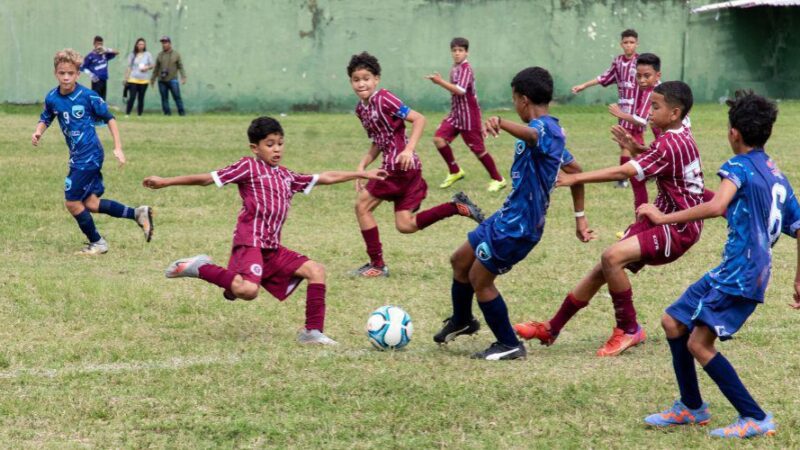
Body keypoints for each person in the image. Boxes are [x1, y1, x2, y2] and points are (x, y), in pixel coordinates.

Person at [637, 91, 799, 438]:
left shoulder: (738, 166)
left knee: (698, 344)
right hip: (737, 269)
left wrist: (662, 218)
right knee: (673, 322)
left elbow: (716, 206)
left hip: (742, 273)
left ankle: (754, 416)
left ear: (733, 133)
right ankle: (691, 407)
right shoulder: (776, 175)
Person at [142, 117, 387, 345]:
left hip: (271, 248)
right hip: (250, 242)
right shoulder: (248, 167)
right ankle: (200, 267)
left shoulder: (287, 176)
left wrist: (362, 173)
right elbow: (207, 178)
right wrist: (166, 181)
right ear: (255, 148)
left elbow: (325, 177)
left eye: (280, 143)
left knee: (316, 271)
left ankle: (312, 332)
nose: (277, 149)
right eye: (270, 144)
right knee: (248, 291)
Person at [515, 81, 706, 357]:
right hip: (663, 216)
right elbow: (661, 161)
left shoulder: (669, 144)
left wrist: (575, 178)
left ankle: (628, 329)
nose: (649, 112)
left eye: (655, 107)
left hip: (677, 225)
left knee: (611, 258)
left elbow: (623, 173)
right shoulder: (678, 133)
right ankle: (552, 328)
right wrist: (637, 149)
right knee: (603, 267)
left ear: (675, 113)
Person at [433, 67, 595, 360]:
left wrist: (501, 121)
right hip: (506, 216)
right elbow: (575, 170)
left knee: (480, 279)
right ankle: (462, 320)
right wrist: (579, 216)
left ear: (523, 100)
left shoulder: (545, 129)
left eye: (513, 100)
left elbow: (532, 135)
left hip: (519, 227)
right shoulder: (551, 134)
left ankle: (509, 344)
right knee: (460, 260)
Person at [347, 52, 486, 278]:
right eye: (356, 79)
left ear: (376, 79)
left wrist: (408, 149)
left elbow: (419, 118)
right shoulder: (361, 109)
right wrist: (361, 167)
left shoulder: (384, 98)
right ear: (351, 82)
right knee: (405, 225)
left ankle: (377, 265)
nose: (361, 84)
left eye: (366, 78)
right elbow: (378, 141)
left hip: (397, 167)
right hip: (404, 169)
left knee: (362, 206)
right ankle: (456, 207)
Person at [31, 49, 153, 255]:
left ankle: (98, 243)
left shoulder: (88, 96)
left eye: (71, 73)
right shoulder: (52, 97)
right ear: (55, 73)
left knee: (72, 202)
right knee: (91, 203)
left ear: (78, 74)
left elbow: (110, 119)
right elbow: (46, 117)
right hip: (77, 156)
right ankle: (137, 213)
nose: (66, 77)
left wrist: (118, 147)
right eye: (62, 73)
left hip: (89, 156)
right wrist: (38, 131)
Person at [425, 37, 505, 192]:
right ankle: (455, 171)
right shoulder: (455, 68)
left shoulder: (466, 69)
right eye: (454, 50)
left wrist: (440, 82)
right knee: (439, 139)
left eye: (460, 50)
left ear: (466, 52)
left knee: (478, 150)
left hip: (469, 116)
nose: (457, 53)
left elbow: (461, 91)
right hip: (456, 114)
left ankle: (498, 179)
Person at [572, 29, 639, 190]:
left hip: (637, 110)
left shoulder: (641, 62)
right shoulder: (618, 62)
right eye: (625, 42)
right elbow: (604, 77)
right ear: (621, 44)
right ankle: (646, 170)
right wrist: (584, 85)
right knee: (629, 144)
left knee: (628, 144)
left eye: (631, 42)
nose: (628, 45)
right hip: (622, 109)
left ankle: (624, 178)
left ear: (637, 44)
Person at [607, 52, 661, 209]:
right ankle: (642, 218)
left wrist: (621, 114)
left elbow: (641, 120)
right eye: (638, 76)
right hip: (665, 146)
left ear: (657, 75)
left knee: (636, 174)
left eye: (646, 76)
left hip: (671, 147)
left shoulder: (654, 93)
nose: (642, 80)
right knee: (638, 176)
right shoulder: (655, 89)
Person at [151, 36, 186, 116]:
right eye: (163, 43)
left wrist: (183, 77)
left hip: (173, 80)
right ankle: (167, 114)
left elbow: (180, 66)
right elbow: (156, 68)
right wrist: (152, 79)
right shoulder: (160, 55)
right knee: (164, 98)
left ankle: (182, 113)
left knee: (177, 97)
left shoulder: (176, 54)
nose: (164, 44)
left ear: (170, 43)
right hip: (161, 81)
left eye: (166, 43)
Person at [79, 36, 119, 100]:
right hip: (96, 80)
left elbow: (117, 52)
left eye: (101, 44)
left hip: (104, 79)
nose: (99, 45)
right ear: (94, 44)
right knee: (96, 98)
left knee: (103, 99)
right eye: (98, 44)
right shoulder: (90, 56)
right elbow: (82, 67)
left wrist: (107, 50)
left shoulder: (104, 54)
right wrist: (91, 75)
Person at [124, 38, 153, 117]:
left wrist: (146, 67)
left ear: (145, 45)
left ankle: (139, 114)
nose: (141, 46)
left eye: (142, 44)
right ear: (136, 45)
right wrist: (126, 78)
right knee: (132, 96)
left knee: (141, 97)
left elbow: (152, 65)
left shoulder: (148, 54)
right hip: (133, 79)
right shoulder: (132, 54)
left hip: (144, 80)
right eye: (139, 44)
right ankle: (127, 113)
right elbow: (129, 67)